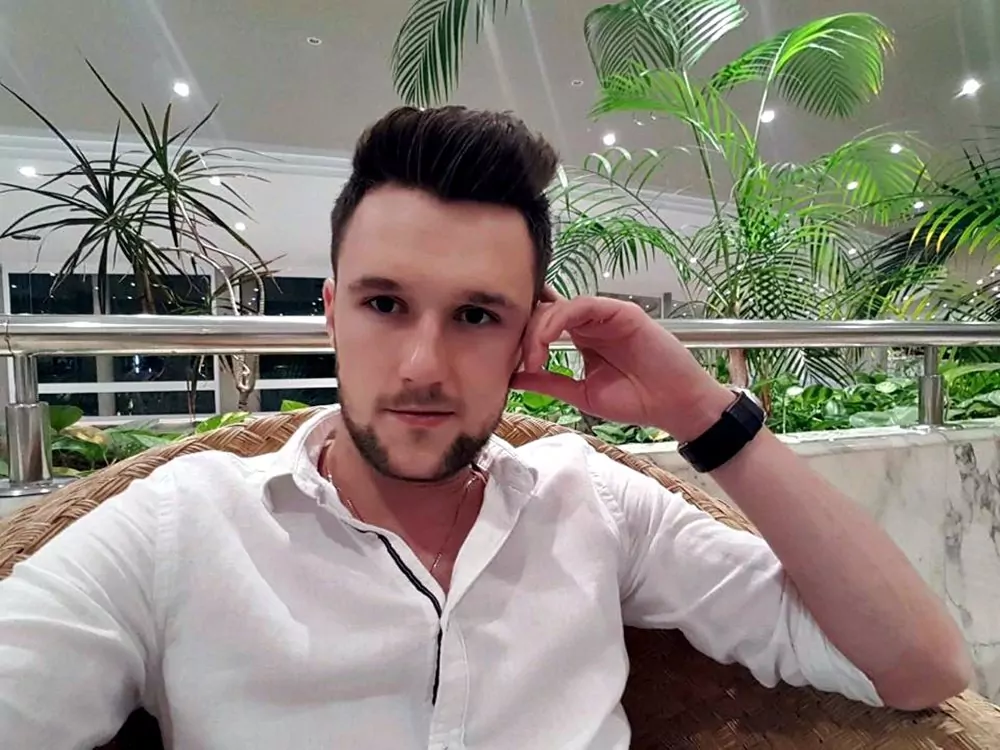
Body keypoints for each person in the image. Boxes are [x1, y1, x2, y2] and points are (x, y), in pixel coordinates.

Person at [0, 106, 971, 750]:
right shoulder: (179, 528)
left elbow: (917, 668)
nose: (422, 364)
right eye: (385, 305)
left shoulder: (593, 502)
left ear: (530, 333)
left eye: (475, 314)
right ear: (331, 315)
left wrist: (700, 413)